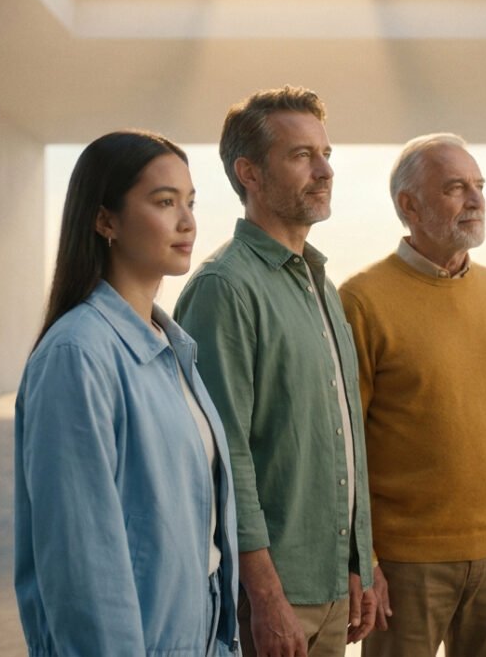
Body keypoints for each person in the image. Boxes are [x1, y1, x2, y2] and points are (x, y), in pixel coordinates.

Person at [14, 130, 239, 656]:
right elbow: (81, 562)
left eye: (190, 202)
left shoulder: (172, 344)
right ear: (104, 220)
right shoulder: (78, 355)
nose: (187, 222)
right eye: (164, 202)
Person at [174, 86, 376, 657]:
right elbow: (223, 455)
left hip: (332, 584)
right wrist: (264, 598)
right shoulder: (225, 288)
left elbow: (344, 434)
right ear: (250, 174)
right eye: (301, 156)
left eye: (326, 153)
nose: (325, 170)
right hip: (274, 594)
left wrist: (361, 561)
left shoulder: (321, 283)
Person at [338, 133, 486, 657]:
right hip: (404, 565)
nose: (476, 200)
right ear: (408, 205)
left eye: (478, 186)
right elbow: (344, 447)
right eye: (455, 188)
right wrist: (361, 560)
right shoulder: (360, 300)